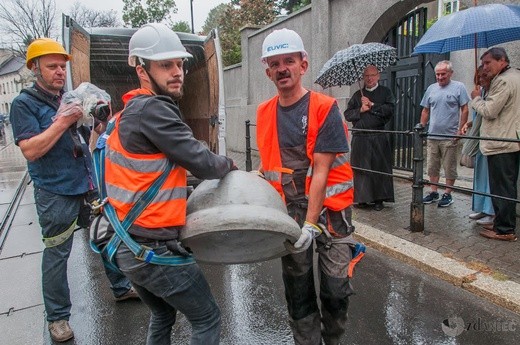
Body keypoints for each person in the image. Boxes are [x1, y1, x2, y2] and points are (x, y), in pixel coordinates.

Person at [107, 23, 235, 344]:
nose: (177, 72)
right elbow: (201, 160)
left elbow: (152, 175)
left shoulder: (127, 113)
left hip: (127, 245)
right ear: (142, 70)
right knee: (207, 318)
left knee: (163, 314)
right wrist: (232, 168)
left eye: (179, 64)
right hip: (151, 249)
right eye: (165, 65)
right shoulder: (153, 110)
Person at [8, 38, 138, 343]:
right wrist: (62, 121)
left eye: (62, 66)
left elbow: (85, 142)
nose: (59, 71)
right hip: (55, 192)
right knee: (57, 253)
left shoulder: (69, 98)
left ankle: (120, 288)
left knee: (106, 238)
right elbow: (30, 150)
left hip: (87, 186)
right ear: (34, 68)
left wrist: (97, 125)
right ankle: (58, 318)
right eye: (52, 66)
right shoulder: (24, 104)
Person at [256, 28, 356, 345]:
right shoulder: (264, 112)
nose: (282, 68)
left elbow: (322, 171)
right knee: (298, 291)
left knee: (336, 290)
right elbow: (269, 165)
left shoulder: (324, 108)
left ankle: (333, 339)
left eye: (289, 60)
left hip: (330, 214)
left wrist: (311, 223)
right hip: (289, 214)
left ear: (303, 65)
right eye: (275, 63)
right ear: (268, 70)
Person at [470, 47, 520, 242]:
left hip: (501, 142)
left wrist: (476, 98)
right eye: (483, 63)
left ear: (502, 61)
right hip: (509, 139)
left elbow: (490, 110)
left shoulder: (503, 80)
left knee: (502, 188)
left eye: (487, 63)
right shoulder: (515, 76)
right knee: (505, 186)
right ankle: (501, 223)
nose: (484, 67)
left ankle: (505, 229)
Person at [344, 65, 395, 211]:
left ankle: (379, 199)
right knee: (361, 168)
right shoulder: (356, 96)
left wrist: (372, 105)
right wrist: (361, 109)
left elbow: (389, 111)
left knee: (378, 167)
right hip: (361, 137)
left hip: (378, 136)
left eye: (372, 75)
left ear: (378, 76)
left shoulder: (386, 93)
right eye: (366, 76)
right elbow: (348, 114)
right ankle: (363, 199)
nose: (369, 78)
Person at [420, 60, 469, 207]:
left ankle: (448, 194)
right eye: (438, 74)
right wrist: (421, 126)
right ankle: (433, 191)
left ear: (450, 73)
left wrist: (460, 130)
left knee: (449, 167)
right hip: (433, 135)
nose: (440, 77)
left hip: (450, 136)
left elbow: (465, 109)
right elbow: (425, 110)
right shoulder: (431, 89)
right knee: (432, 166)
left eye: (443, 74)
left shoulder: (459, 87)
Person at [461, 66, 494, 226]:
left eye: (483, 77)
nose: (480, 80)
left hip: (490, 140)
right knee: (480, 175)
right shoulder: (481, 92)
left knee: (489, 177)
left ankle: (491, 211)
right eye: (478, 77)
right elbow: (480, 117)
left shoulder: (491, 93)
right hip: (479, 139)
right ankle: (481, 207)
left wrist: (476, 99)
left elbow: (489, 113)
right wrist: (470, 123)